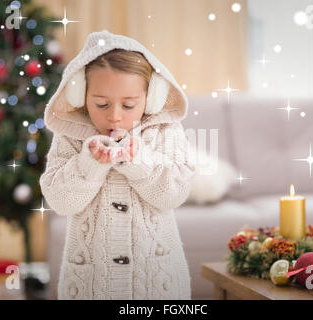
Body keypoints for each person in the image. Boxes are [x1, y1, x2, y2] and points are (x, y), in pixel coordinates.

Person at [39, 30, 196, 299]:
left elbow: (175, 193)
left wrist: (140, 162)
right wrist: (89, 165)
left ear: (151, 97)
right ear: (81, 95)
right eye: (101, 104)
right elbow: (61, 201)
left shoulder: (165, 131)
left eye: (129, 105)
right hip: (90, 285)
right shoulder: (71, 136)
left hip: (155, 285)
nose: (114, 117)